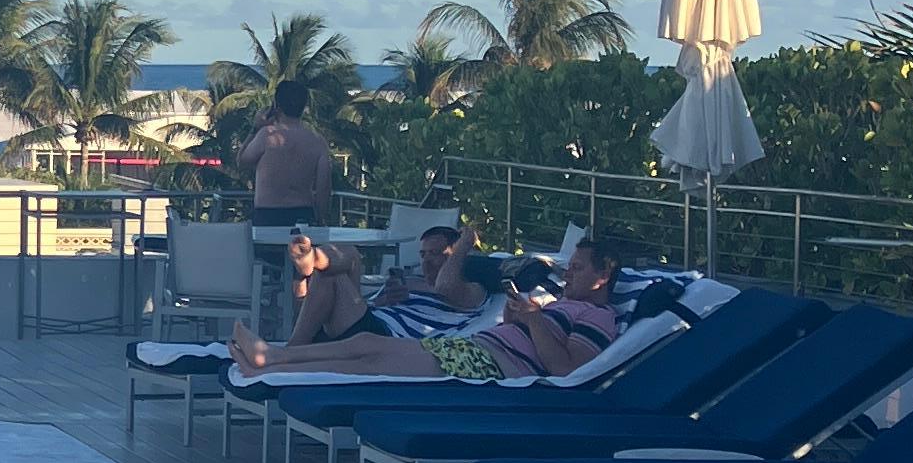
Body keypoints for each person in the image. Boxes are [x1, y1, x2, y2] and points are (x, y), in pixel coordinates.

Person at [232, 237, 626, 381]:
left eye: (577, 268)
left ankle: (273, 363)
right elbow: (528, 336)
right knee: (368, 343)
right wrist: (518, 316)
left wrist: (536, 319)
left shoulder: (598, 318)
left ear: (604, 274)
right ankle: (273, 360)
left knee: (371, 360)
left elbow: (567, 369)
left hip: (490, 366)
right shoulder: (565, 304)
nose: (568, 274)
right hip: (477, 348)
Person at [239, 84, 337, 227]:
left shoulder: (266, 136)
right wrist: (321, 219)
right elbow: (324, 188)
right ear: (303, 107)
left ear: (276, 106)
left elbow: (241, 161)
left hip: (267, 215)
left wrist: (255, 128)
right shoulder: (317, 141)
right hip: (303, 215)